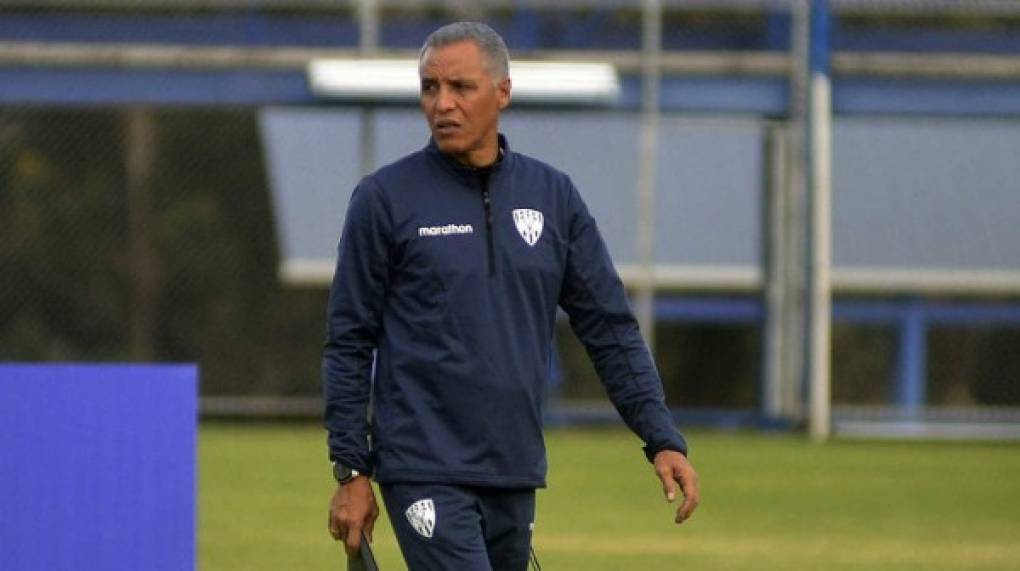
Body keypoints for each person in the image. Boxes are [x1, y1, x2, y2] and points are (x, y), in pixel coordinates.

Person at [324, 21, 699, 570]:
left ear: (502, 92)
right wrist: (351, 470)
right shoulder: (384, 199)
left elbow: (609, 328)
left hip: (513, 467)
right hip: (422, 465)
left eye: (460, 87)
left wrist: (661, 437)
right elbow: (348, 341)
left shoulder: (553, 197)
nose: (442, 104)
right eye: (430, 87)